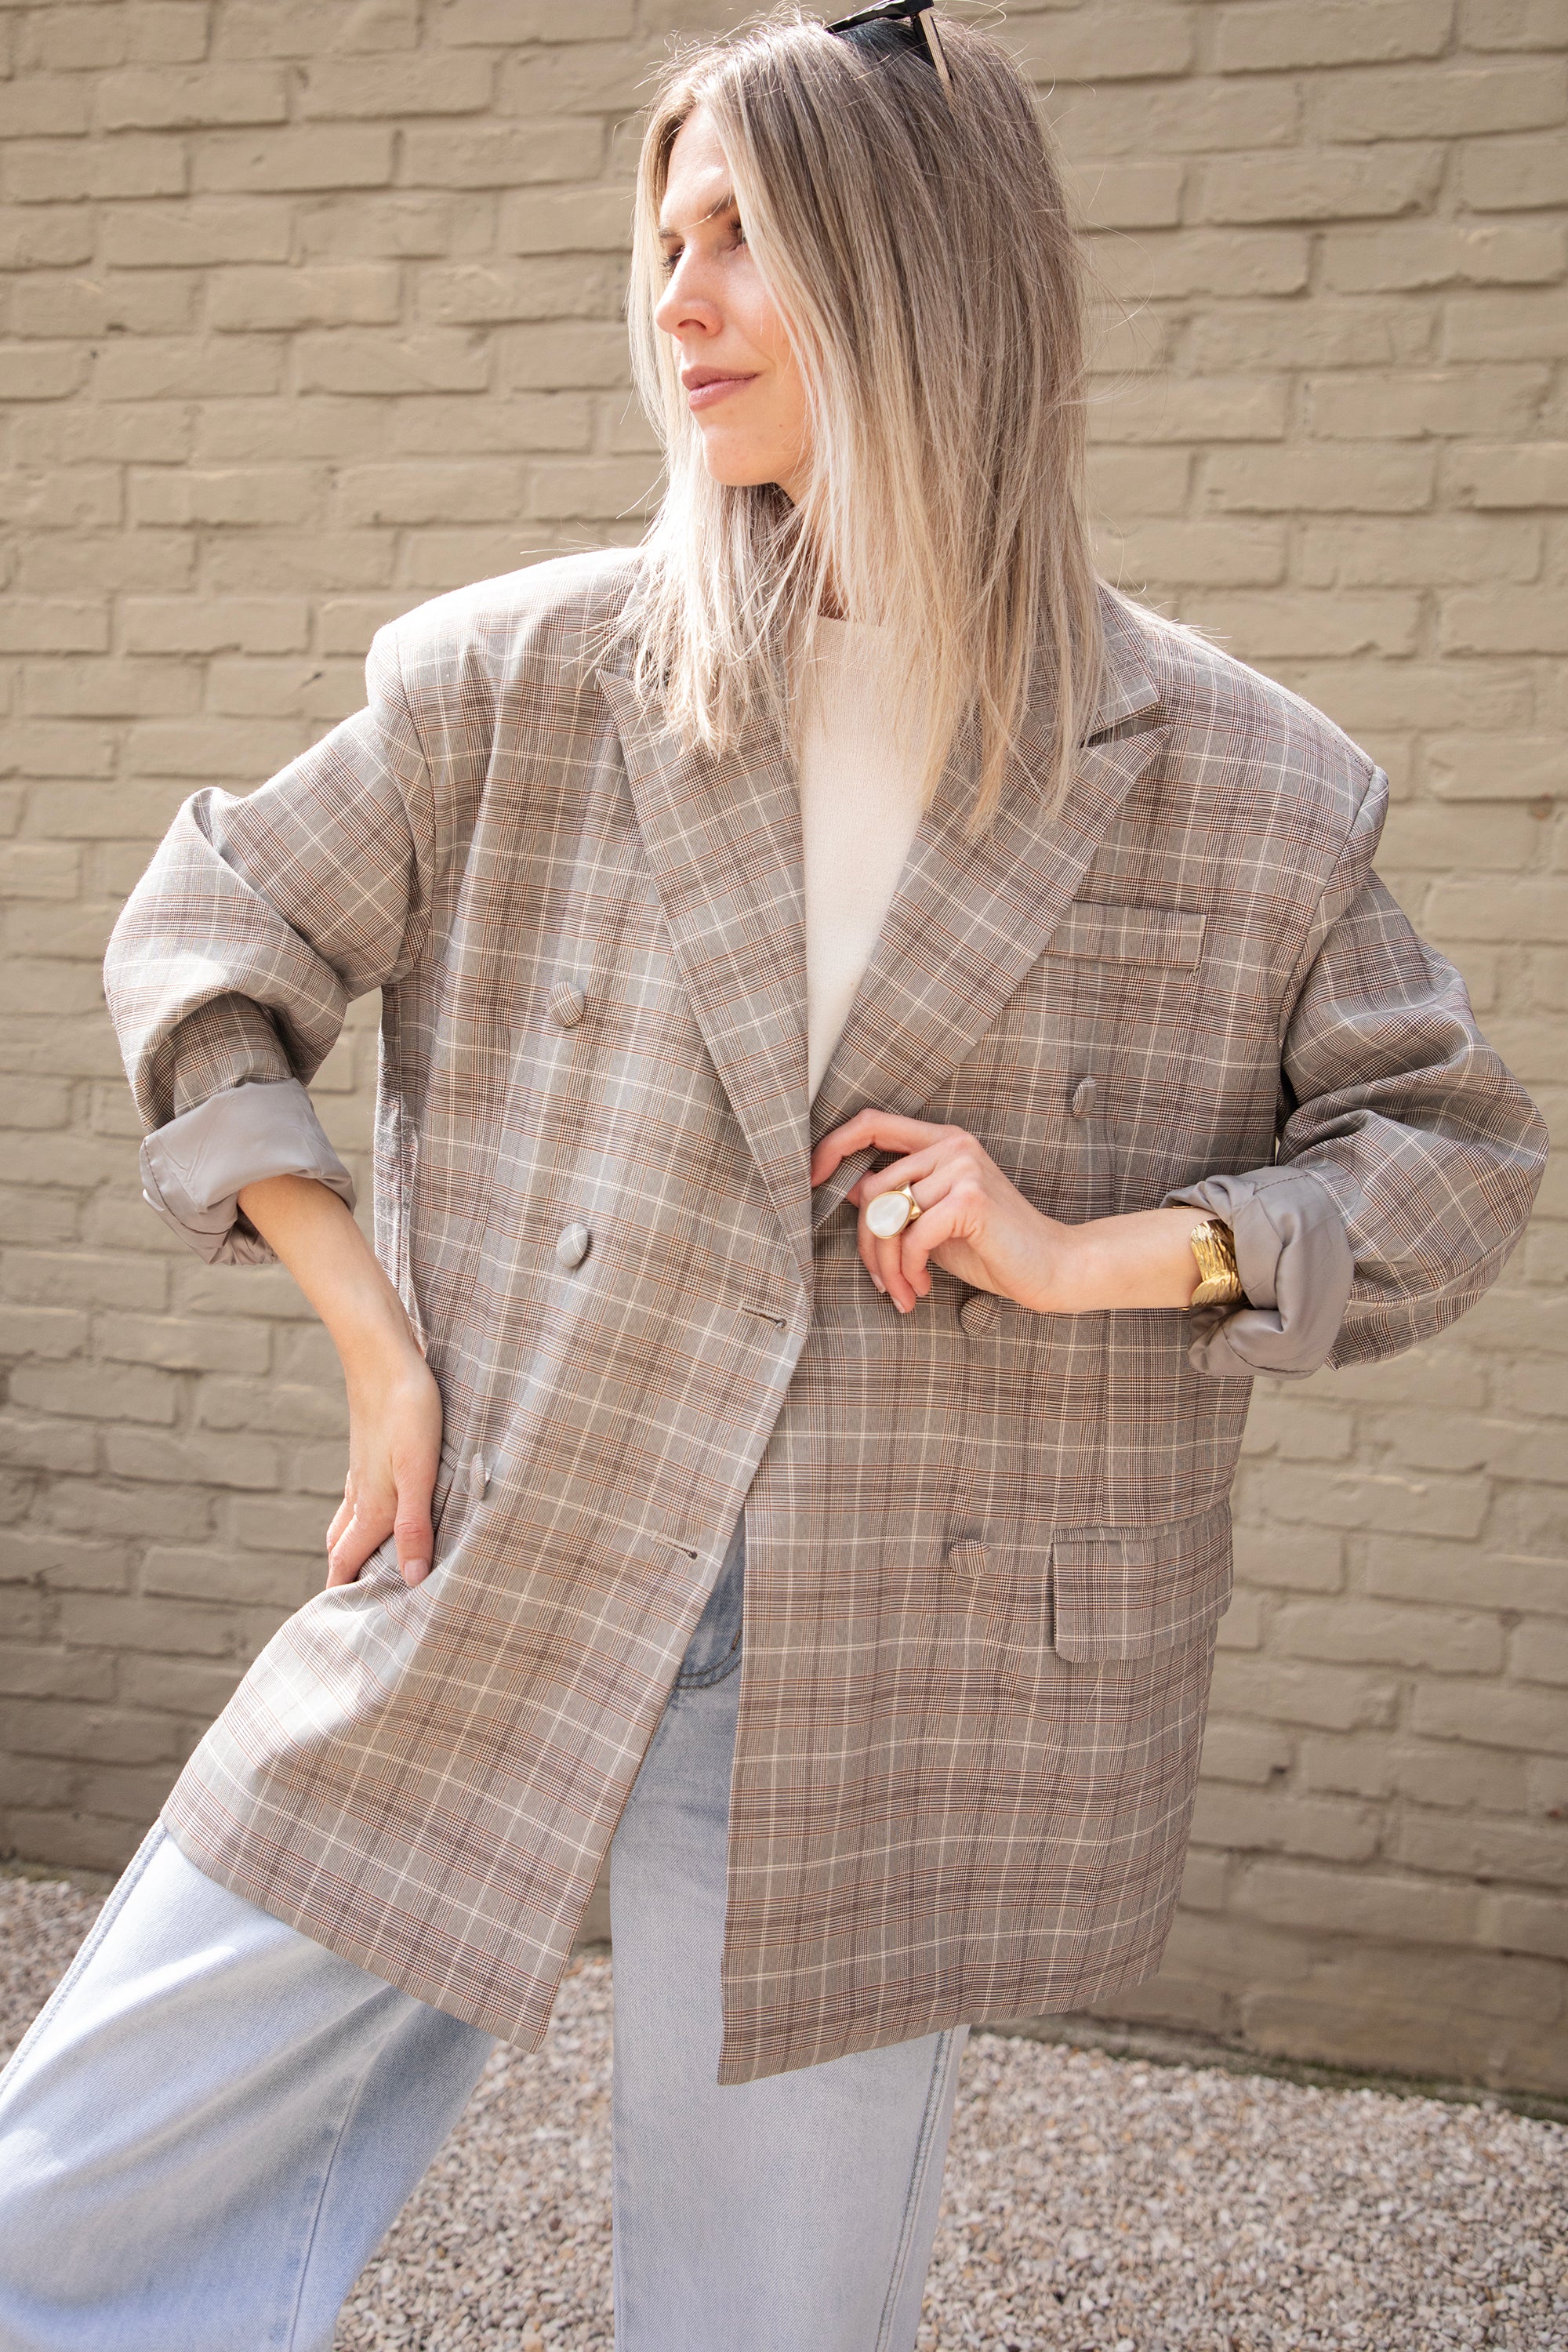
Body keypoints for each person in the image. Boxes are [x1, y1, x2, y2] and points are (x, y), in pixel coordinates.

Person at [0, 7, 1546, 2349]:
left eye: (745, 235)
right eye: (667, 238)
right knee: (79, 2191)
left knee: (771, 2315)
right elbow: (212, 943)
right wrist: (375, 1342)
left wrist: (1092, 1256)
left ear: (920, 266)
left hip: (894, 1632)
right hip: (505, 1532)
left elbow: (1448, 1156)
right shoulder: (519, 679)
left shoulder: (1240, 773)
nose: (677, 296)